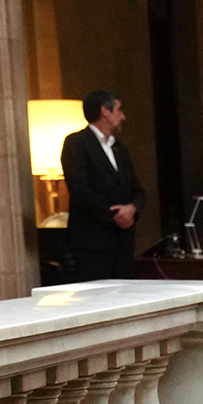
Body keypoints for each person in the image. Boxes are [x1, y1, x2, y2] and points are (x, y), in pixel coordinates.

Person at [61, 89, 143, 281]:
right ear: (104, 111)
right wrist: (114, 214)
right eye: (118, 110)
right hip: (93, 242)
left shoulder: (120, 148)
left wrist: (132, 207)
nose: (122, 117)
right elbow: (80, 188)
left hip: (122, 242)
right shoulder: (77, 143)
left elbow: (137, 188)